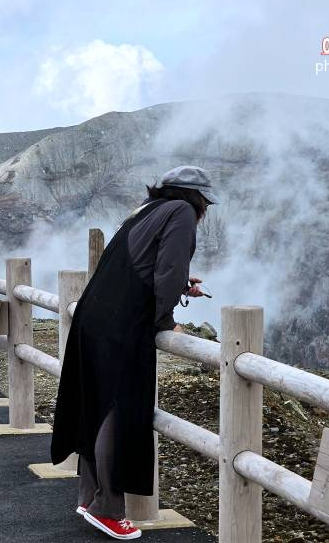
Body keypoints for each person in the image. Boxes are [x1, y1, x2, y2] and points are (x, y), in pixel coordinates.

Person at [51, 166, 217, 540]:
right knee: (119, 408)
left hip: (94, 314)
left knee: (94, 403)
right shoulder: (182, 212)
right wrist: (166, 320)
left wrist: (179, 285)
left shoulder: (145, 210)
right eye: (205, 201)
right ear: (195, 197)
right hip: (123, 323)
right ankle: (108, 509)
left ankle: (89, 496)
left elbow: (150, 265)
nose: (205, 210)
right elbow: (169, 267)